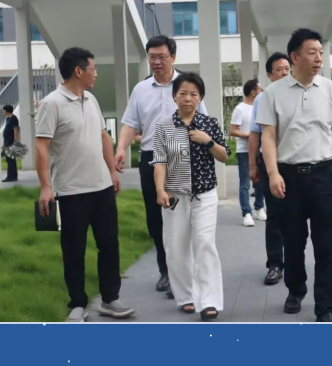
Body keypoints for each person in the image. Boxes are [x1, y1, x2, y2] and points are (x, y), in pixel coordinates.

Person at [257, 28, 332, 322]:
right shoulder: (273, 93)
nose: (318, 58)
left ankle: (326, 307)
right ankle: (295, 290)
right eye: (312, 53)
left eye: (321, 53)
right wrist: (272, 174)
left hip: (324, 175)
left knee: (327, 244)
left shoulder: (330, 89)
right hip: (289, 177)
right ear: (295, 56)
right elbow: (268, 137)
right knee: (293, 241)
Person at [35, 47, 135, 323]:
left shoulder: (91, 99)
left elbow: (103, 136)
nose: (96, 73)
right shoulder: (51, 103)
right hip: (71, 192)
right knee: (74, 251)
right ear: (79, 71)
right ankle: (77, 304)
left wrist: (111, 172)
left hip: (101, 189)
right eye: (93, 68)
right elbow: (41, 147)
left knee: (109, 245)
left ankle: (110, 299)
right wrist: (45, 187)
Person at [114, 35, 208, 296]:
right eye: (152, 57)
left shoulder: (187, 85)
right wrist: (121, 148)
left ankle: (187, 272)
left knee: (186, 215)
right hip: (151, 158)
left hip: (184, 159)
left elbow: (204, 121)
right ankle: (166, 271)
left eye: (162, 57)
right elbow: (130, 124)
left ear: (173, 57)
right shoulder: (141, 89)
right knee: (156, 217)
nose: (156, 62)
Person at [151, 72, 229, 322]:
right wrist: (160, 190)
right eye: (183, 93)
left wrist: (208, 142)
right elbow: (159, 161)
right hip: (175, 196)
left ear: (200, 98)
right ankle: (185, 296)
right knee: (176, 247)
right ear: (174, 96)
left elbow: (225, 156)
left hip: (205, 194)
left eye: (193, 94)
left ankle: (209, 301)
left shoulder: (209, 123)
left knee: (204, 243)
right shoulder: (163, 126)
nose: (188, 98)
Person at [248, 52, 291, 285]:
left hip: (296, 164)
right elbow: (255, 134)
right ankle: (275, 263)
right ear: (269, 75)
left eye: (287, 68)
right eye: (279, 70)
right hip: (270, 163)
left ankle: (294, 260)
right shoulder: (261, 99)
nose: (284, 73)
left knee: (296, 214)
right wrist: (252, 165)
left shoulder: (299, 94)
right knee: (274, 214)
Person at [230, 79, 264, 226]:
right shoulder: (240, 109)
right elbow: (233, 130)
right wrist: (247, 135)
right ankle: (246, 213)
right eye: (261, 90)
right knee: (245, 183)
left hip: (260, 149)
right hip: (244, 151)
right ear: (253, 92)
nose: (262, 92)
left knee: (260, 181)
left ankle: (259, 207)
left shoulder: (261, 107)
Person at [2, 104, 20, 182]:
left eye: (3, 110)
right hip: (7, 141)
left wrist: (15, 141)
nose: (3, 112)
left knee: (11, 159)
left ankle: (12, 176)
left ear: (6, 111)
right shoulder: (8, 119)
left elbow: (15, 129)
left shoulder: (13, 118)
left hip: (11, 141)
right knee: (9, 159)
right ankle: (11, 175)